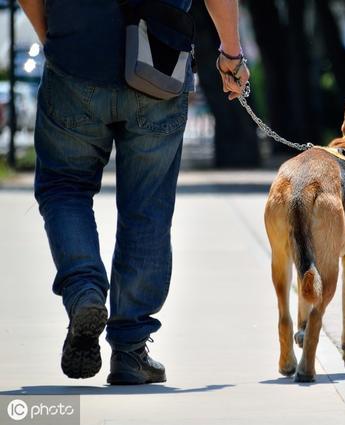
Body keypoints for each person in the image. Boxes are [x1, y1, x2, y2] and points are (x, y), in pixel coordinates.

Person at [17, 0, 250, 385]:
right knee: (148, 206)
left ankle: (84, 289)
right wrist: (231, 55)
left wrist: (52, 38)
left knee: (64, 187)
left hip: (75, 58)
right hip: (157, 59)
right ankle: (130, 349)